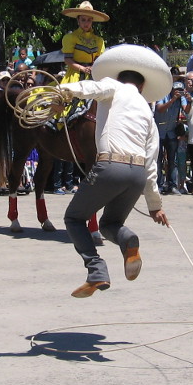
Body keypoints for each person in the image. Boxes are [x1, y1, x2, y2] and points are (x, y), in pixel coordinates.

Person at [56, 44, 170, 298]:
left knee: (74, 218)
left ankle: (96, 270)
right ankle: (127, 240)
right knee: (111, 224)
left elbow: (91, 88)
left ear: (120, 79)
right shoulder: (147, 113)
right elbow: (152, 164)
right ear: (141, 87)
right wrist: (155, 205)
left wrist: (62, 91)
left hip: (110, 167)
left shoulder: (113, 87)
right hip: (137, 175)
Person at [153, 81, 190, 195]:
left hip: (171, 132)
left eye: (180, 90)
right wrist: (172, 100)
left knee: (172, 160)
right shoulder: (163, 95)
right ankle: (158, 185)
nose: (178, 92)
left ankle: (172, 185)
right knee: (158, 160)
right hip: (159, 131)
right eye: (175, 89)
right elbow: (160, 108)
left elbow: (186, 110)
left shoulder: (181, 98)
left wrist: (190, 101)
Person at [60, 1, 109, 84]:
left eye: (89, 20)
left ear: (92, 21)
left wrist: (93, 67)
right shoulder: (70, 37)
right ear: (78, 20)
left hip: (92, 74)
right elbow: (67, 59)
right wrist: (82, 68)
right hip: (74, 75)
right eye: (83, 20)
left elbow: (98, 60)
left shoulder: (99, 40)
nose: (86, 23)